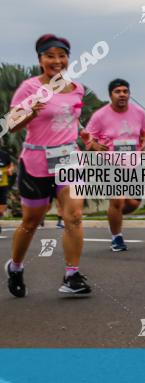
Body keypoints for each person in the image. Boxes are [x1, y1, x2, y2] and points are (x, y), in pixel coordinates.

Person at [5, 34, 91, 297]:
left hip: (68, 158)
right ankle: (16, 266)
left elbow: (70, 118)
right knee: (32, 221)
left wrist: (84, 134)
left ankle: (72, 275)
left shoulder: (76, 88)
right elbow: (10, 124)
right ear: (40, 59)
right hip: (36, 161)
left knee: (73, 215)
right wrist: (31, 111)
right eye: (50, 56)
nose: (57, 61)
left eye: (61, 55)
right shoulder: (29, 88)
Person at [82, 79, 145, 252]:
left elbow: (144, 133)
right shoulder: (100, 116)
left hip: (134, 163)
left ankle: (114, 213)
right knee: (118, 199)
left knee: (133, 203)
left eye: (125, 91)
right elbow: (87, 137)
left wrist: (144, 143)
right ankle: (116, 238)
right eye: (117, 91)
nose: (122, 94)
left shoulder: (139, 113)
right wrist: (94, 145)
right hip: (110, 163)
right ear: (110, 95)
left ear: (129, 94)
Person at [0, 146, 14, 234]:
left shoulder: (3, 154)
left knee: (2, 206)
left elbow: (10, 165)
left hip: (2, 184)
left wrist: (10, 170)